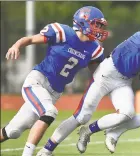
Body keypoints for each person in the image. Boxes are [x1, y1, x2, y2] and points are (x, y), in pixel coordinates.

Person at [37, 9, 140, 155]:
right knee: (81, 115)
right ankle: (47, 149)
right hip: (107, 73)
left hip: (124, 80)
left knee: (127, 113)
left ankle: (89, 130)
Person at [0, 6, 108, 156]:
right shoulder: (62, 32)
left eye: (101, 26)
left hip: (54, 93)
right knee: (50, 112)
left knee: (12, 131)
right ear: (83, 22)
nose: (99, 29)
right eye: (97, 25)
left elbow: (97, 73)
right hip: (37, 81)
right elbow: (31, 39)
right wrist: (16, 45)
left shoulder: (95, 49)